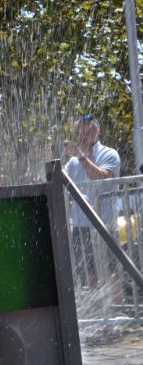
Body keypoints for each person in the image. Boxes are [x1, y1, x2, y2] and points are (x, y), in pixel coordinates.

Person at [64, 114, 122, 299]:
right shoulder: (73, 161)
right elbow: (58, 180)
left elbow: (100, 178)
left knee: (110, 272)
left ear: (97, 131)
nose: (81, 137)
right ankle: (101, 321)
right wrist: (53, 161)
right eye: (78, 133)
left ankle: (118, 319)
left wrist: (81, 156)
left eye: (86, 132)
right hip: (82, 227)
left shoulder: (109, 153)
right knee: (90, 275)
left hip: (104, 224)